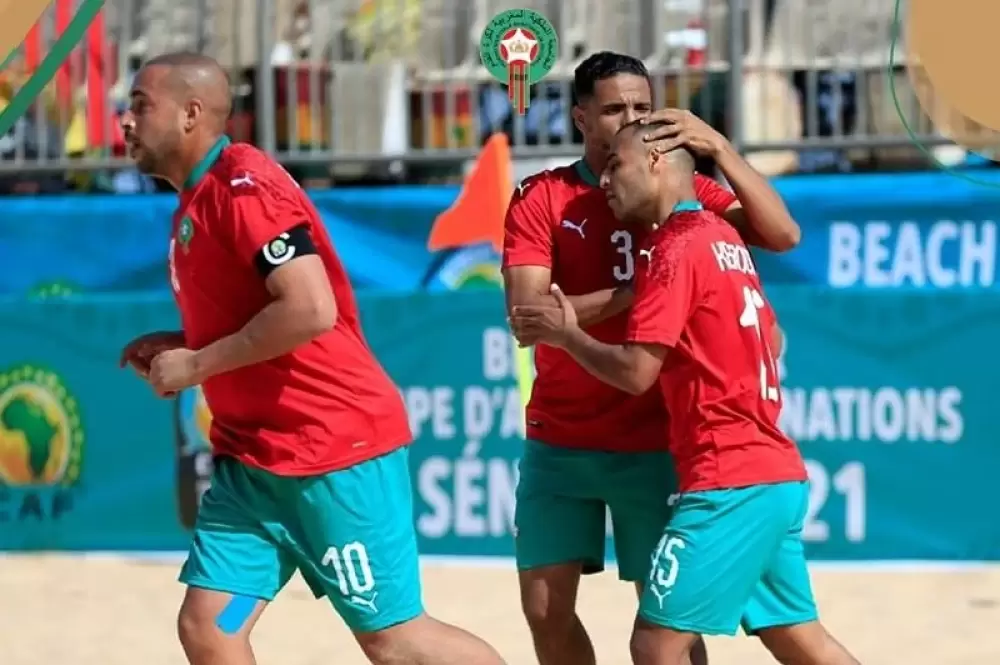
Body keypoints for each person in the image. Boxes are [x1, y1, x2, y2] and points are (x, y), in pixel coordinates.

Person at [117, 51, 507, 665]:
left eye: (141, 105)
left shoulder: (244, 187)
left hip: (331, 454)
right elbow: (254, 314)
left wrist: (195, 367)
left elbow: (308, 309)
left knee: (395, 640)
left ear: (192, 114)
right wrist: (184, 342)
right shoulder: (198, 199)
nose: (125, 120)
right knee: (213, 626)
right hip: (257, 466)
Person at [509, 120, 860, 665]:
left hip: (729, 481)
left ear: (655, 162)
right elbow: (772, 335)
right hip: (772, 473)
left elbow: (634, 374)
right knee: (800, 639)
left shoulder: (670, 247)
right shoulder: (725, 238)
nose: (605, 179)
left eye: (617, 166)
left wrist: (569, 335)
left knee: (655, 644)